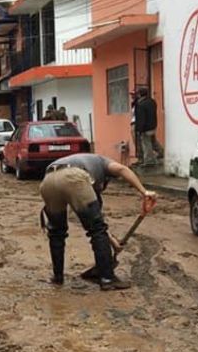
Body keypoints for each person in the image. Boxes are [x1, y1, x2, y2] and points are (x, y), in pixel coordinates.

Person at [39, 152, 156, 291]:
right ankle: (107, 278)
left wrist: (113, 242)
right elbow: (122, 169)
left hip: (48, 180)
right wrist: (144, 192)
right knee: (96, 229)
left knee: (56, 231)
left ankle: (57, 277)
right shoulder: (103, 162)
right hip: (73, 177)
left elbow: (97, 220)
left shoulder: (85, 165)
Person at [134, 87, 163, 165]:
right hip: (153, 126)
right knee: (153, 141)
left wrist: (139, 130)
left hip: (145, 128)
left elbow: (141, 119)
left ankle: (149, 161)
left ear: (139, 94)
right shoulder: (152, 101)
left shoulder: (141, 105)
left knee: (146, 144)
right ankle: (161, 152)